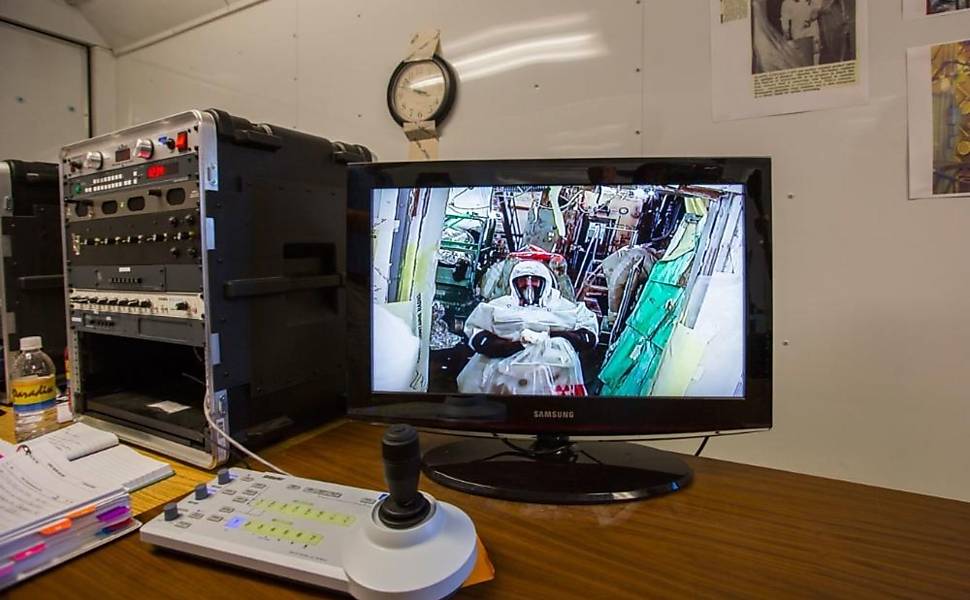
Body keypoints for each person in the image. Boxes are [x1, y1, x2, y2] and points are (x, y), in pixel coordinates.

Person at [457, 260, 598, 395]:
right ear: (514, 283)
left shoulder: (563, 306)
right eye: (522, 280)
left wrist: (554, 337)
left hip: (554, 370)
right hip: (505, 369)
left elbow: (588, 334)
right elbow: (476, 331)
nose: (528, 285)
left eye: (534, 280)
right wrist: (505, 347)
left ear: (545, 282)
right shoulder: (498, 305)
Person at [780, 0, 820, 65]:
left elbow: (816, 10)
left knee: (815, 54)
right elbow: (785, 23)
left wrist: (812, 18)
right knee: (802, 61)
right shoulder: (787, 3)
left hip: (813, 32)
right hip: (798, 36)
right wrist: (787, 38)